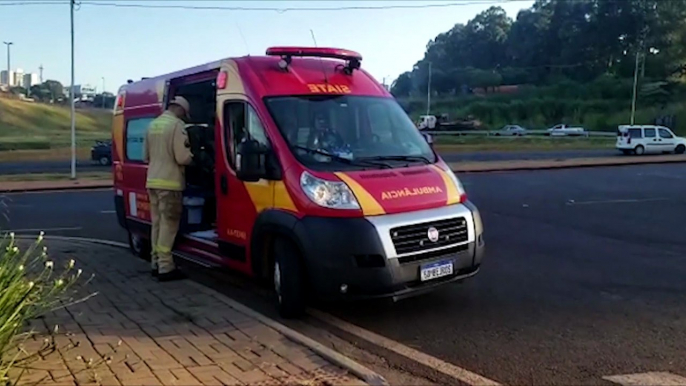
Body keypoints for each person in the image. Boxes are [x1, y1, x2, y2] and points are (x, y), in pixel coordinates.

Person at [143, 96, 194, 281]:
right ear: (180, 109)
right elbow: (182, 158)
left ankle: (155, 262)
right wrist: (193, 156)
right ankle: (166, 267)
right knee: (169, 225)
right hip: (170, 184)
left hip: (153, 182)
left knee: (156, 224)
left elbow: (145, 156)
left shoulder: (152, 125)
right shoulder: (177, 126)